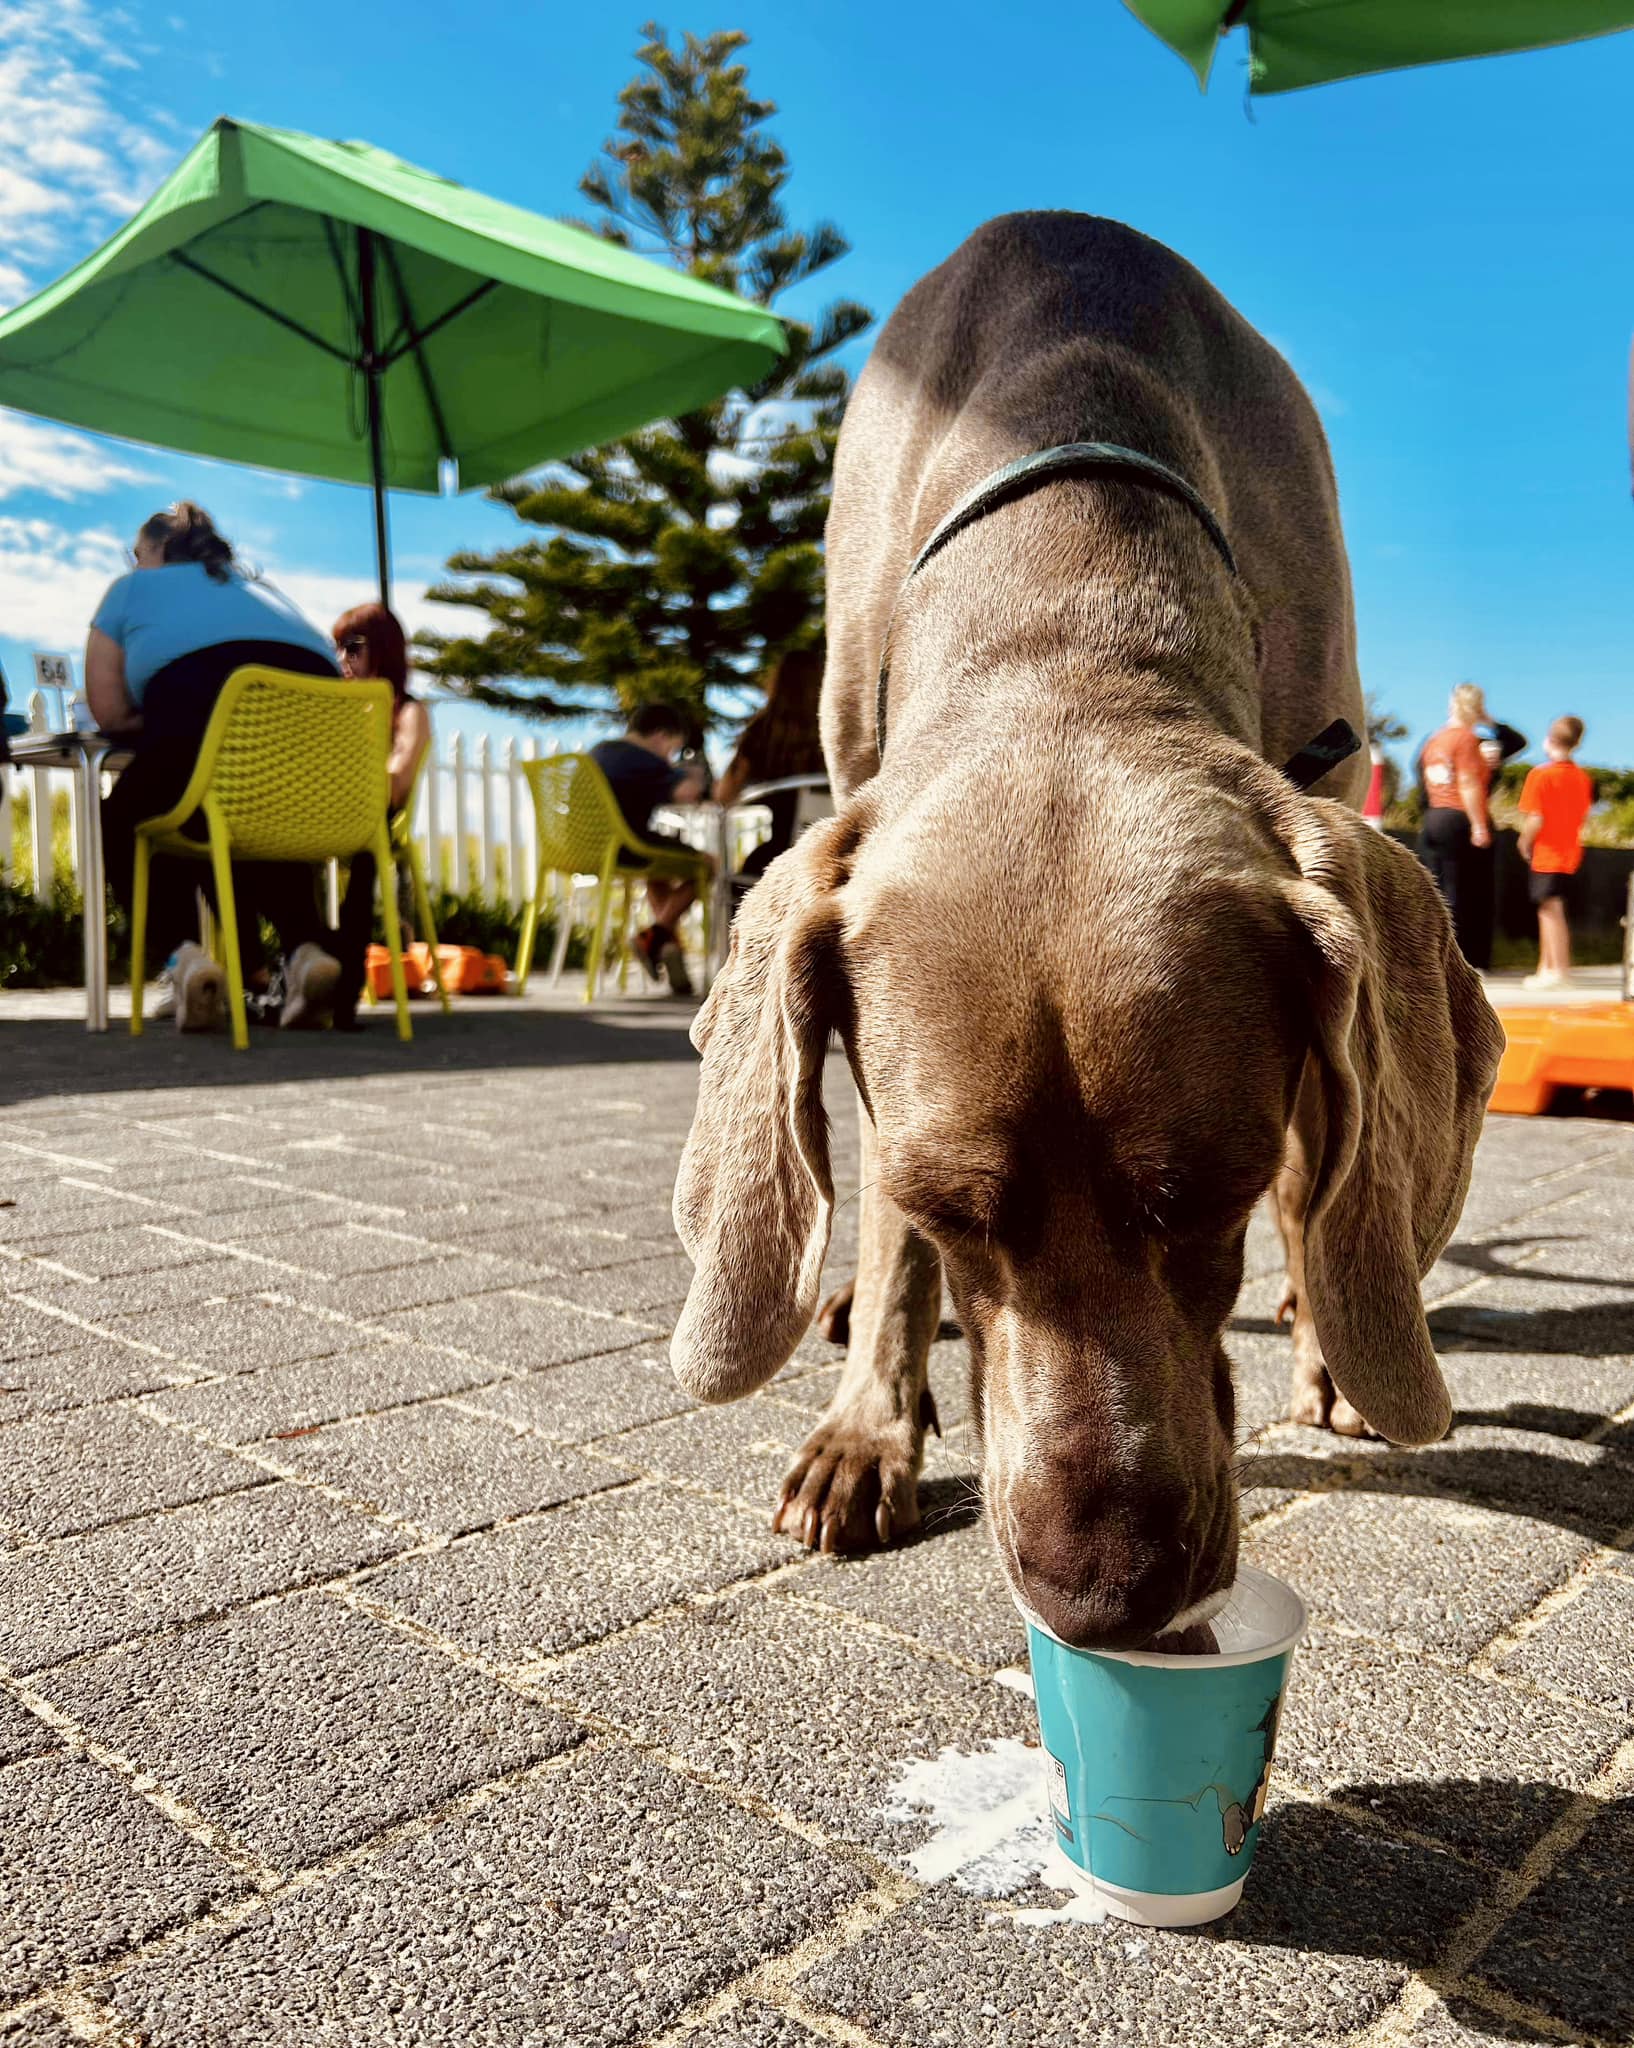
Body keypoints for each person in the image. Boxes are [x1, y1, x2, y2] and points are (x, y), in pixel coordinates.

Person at [88, 503, 343, 1031]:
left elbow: (109, 712)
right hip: (311, 780)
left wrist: (164, 714)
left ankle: (185, 961)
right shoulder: (268, 593)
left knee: (125, 818)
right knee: (244, 816)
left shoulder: (129, 591)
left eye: (137, 556)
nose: (135, 566)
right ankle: (305, 952)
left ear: (156, 550)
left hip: (200, 752)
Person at [326, 603, 432, 1029]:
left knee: (368, 852)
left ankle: (345, 986)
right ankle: (303, 963)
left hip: (377, 820)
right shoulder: (331, 708)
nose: (342, 660)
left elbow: (397, 784)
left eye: (353, 647)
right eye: (336, 648)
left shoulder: (409, 711)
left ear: (383, 650)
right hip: (322, 814)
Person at [589, 701, 711, 995]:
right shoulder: (642, 758)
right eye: (672, 747)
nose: (669, 755)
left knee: (660, 873)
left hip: (591, 847)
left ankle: (667, 946)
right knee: (709, 864)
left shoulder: (599, 752)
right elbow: (687, 793)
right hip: (626, 846)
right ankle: (655, 933)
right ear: (660, 736)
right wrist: (693, 773)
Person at [713, 647, 828, 883]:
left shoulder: (762, 731)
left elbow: (724, 795)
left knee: (741, 881)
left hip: (777, 859)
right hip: (834, 860)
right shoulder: (834, 733)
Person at [1416, 682, 1496, 969]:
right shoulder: (1466, 740)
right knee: (1464, 891)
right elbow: (1468, 782)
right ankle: (1461, 960)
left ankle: (1433, 956)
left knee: (1438, 889)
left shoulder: (1434, 740)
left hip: (1435, 816)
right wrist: (1479, 825)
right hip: (1457, 817)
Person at [1518, 716, 1594, 991]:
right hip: (1570, 849)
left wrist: (1524, 841)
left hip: (1547, 851)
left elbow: (1536, 817)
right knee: (1549, 906)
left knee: (1551, 909)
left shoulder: (1540, 775)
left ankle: (1558, 968)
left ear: (1550, 739)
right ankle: (1546, 967)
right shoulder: (1582, 778)